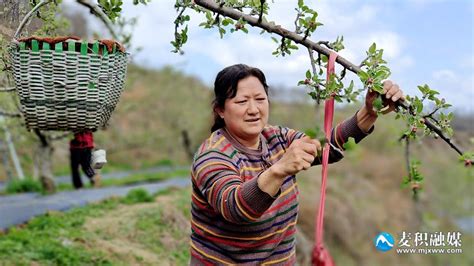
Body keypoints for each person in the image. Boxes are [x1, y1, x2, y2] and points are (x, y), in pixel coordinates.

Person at [189, 64, 404, 265]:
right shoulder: (212, 155)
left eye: (260, 99)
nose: (253, 109)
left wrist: (369, 112)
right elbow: (235, 208)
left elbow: (327, 146)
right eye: (242, 102)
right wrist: (279, 169)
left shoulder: (277, 138)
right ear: (220, 110)